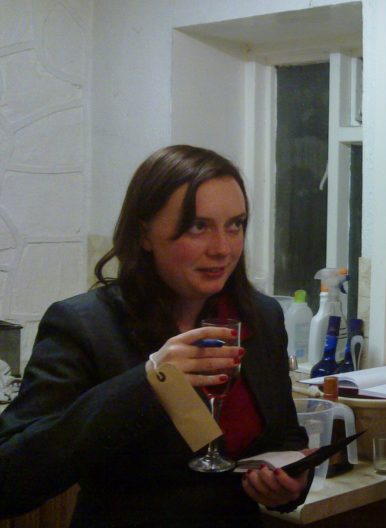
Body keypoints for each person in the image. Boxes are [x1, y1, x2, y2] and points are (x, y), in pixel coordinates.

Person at [0, 145, 310, 526]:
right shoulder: (84, 326)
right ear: (145, 233)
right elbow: (11, 481)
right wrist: (147, 383)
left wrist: (291, 485)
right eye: (199, 226)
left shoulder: (258, 317)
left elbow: (286, 440)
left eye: (235, 224)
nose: (223, 248)